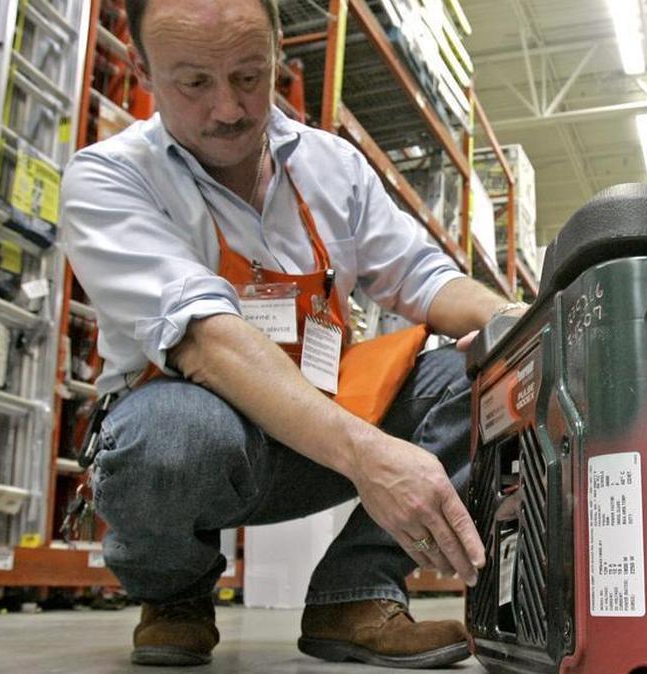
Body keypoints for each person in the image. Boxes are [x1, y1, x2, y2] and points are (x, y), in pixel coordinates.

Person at [60, 0, 521, 668]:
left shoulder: (332, 167)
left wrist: (517, 322)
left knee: (482, 382)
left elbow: (423, 277)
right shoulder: (109, 178)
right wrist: (369, 457)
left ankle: (355, 594)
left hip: (318, 429)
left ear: (280, 57)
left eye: (250, 77)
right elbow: (205, 340)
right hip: (201, 448)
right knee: (169, 435)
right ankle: (176, 592)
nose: (229, 109)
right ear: (143, 68)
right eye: (195, 83)